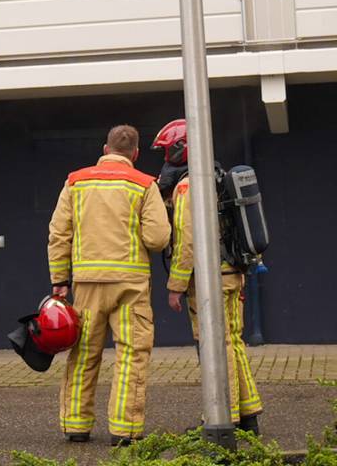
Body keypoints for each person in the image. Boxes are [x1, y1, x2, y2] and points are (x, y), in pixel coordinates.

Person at [47, 125, 171, 446]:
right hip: (130, 286)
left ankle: (75, 426)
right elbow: (157, 239)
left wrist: (60, 281)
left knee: (84, 353)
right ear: (136, 153)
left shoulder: (75, 182)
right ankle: (124, 430)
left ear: (106, 149)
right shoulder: (144, 185)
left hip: (86, 285)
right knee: (131, 354)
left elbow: (59, 234)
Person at [152, 119, 264, 434]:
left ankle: (221, 418)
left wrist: (175, 285)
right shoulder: (216, 177)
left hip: (207, 280)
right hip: (230, 273)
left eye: (166, 153)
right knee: (233, 342)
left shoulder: (189, 186)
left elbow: (187, 242)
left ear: (179, 150)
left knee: (216, 346)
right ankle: (248, 413)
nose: (164, 161)